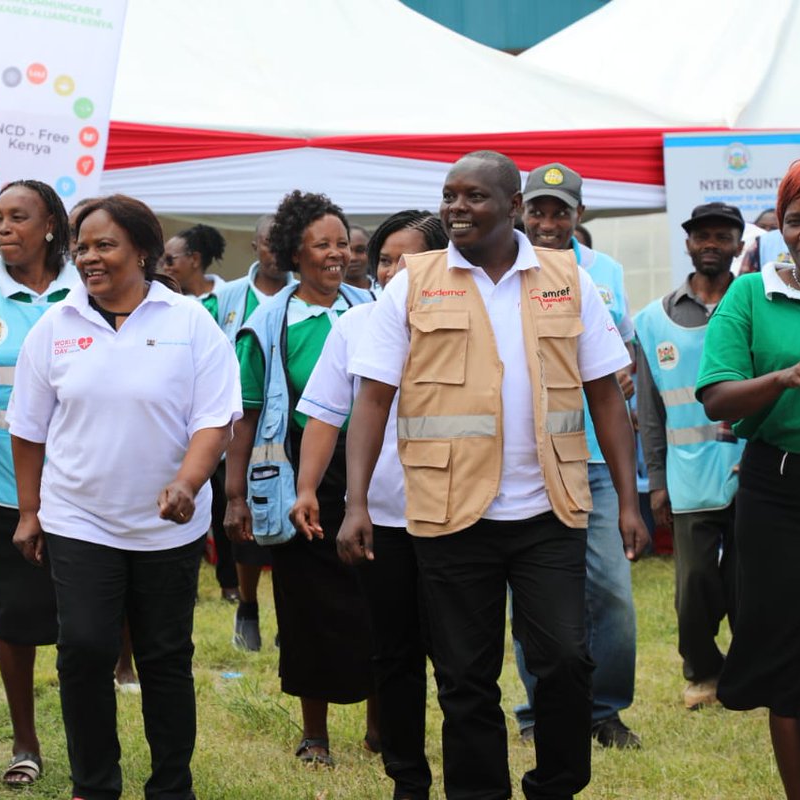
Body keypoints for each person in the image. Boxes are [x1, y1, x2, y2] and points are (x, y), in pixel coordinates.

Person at [342, 151, 649, 799]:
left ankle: (555, 786)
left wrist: (628, 501)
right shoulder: (413, 283)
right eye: (449, 195)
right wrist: (357, 502)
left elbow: (605, 395)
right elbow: (371, 399)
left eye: (474, 196)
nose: (457, 207)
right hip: (449, 512)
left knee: (565, 659)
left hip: (549, 511)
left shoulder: (567, 279)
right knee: (465, 677)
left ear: (513, 206)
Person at [7, 194, 240, 800]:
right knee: (84, 648)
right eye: (82, 247)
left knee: (165, 656)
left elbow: (215, 419)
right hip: (79, 517)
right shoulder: (55, 326)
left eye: (105, 245)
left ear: (142, 251)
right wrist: (30, 511)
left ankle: (171, 787)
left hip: (169, 525)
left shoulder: (189, 322)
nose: (89, 257)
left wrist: (188, 482)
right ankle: (94, 785)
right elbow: (28, 429)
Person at [293, 209, 447, 799]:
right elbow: (324, 415)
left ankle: (468, 769)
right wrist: (308, 489)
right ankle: (406, 776)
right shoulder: (354, 325)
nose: (393, 271)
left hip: (461, 517)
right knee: (394, 651)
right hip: (382, 516)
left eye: (409, 260)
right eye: (384, 260)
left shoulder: (469, 318)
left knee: (458, 656)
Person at [696, 153, 800, 800]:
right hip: (782, 499)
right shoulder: (751, 294)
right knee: (790, 661)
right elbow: (716, 396)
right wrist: (779, 379)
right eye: (795, 219)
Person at [224, 190, 375, 766]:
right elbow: (247, 413)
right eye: (322, 245)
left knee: (376, 601)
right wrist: (235, 495)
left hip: (371, 475)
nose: (337, 254)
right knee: (307, 607)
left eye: (343, 244)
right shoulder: (268, 323)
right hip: (300, 480)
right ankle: (315, 736)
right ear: (294, 253)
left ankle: (380, 729)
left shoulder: (372, 308)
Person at [515, 162, 642, 749]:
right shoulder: (505, 269)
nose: (547, 223)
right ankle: (540, 711)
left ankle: (605, 710)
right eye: (537, 211)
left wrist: (624, 374)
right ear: (520, 212)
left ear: (579, 214)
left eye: (559, 212)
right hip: (532, 457)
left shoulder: (606, 272)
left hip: (596, 458)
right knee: (532, 594)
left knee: (611, 590)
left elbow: (623, 353)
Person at [0, 179, 72, 786]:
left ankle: (86, 736)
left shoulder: (89, 289)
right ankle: (24, 741)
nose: (3, 228)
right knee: (11, 618)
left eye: (18, 217)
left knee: (83, 625)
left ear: (51, 225)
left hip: (80, 491)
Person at [636, 202, 746, 711]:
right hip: (689, 475)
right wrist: (656, 480)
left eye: (722, 236)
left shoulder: (755, 306)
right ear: (688, 244)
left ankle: (750, 672)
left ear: (738, 245)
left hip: (753, 471)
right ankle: (703, 672)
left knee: (749, 581)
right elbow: (650, 410)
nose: (711, 244)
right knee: (695, 582)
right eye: (703, 236)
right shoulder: (653, 320)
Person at [212, 214, 292, 649]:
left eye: (283, 244)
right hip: (240, 423)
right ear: (255, 246)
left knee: (288, 524)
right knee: (246, 523)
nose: (275, 252)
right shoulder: (226, 296)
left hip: (287, 429)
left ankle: (289, 617)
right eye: (268, 243)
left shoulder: (302, 295)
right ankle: (247, 605)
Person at [158, 224, 239, 603]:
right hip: (174, 427)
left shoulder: (227, 299)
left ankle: (229, 584)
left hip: (217, 420)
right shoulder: (159, 304)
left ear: (194, 259)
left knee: (221, 504)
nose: (164, 266)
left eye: (170, 259)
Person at [345, 223, 374, 291]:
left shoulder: (386, 289)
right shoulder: (326, 293)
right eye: (347, 251)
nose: (353, 258)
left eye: (360, 250)